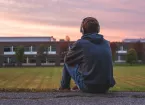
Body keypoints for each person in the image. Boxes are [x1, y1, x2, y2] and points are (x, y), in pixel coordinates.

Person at [59, 17, 116, 93]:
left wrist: (71, 50)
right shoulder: (106, 43)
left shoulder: (80, 43)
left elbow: (67, 59)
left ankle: (64, 87)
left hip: (89, 87)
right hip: (105, 88)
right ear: (98, 29)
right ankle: (81, 83)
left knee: (67, 62)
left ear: (82, 30)